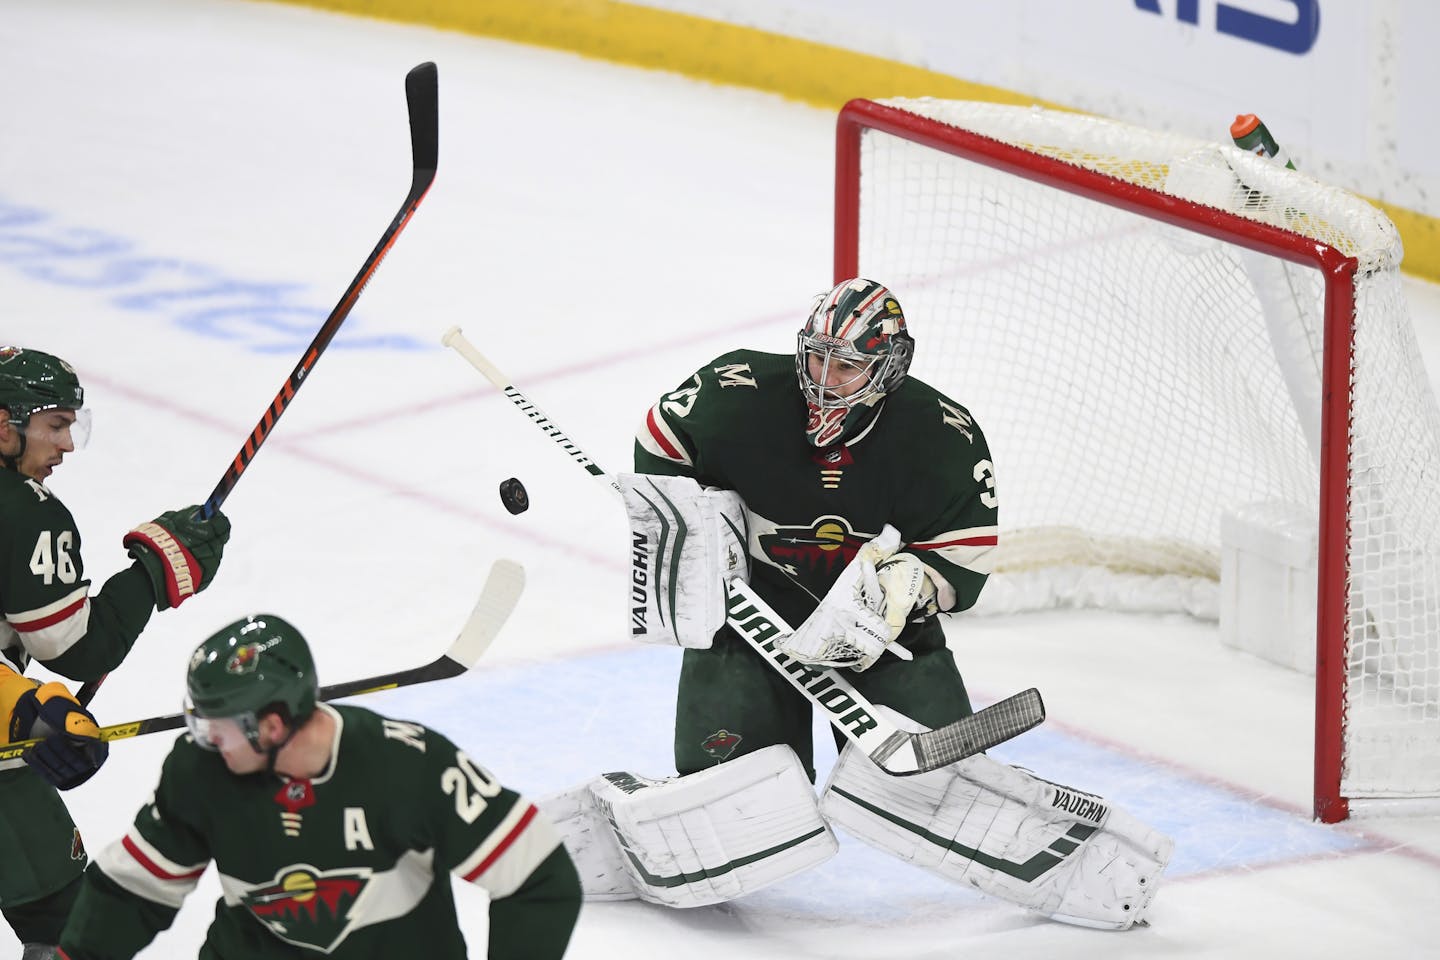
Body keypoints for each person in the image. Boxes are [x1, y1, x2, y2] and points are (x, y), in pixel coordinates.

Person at [541, 279, 1172, 928]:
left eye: (848, 365)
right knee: (728, 786)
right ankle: (631, 843)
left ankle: (1067, 862)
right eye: (817, 355)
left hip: (880, 631)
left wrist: (909, 588)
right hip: (752, 619)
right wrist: (691, 522)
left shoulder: (937, 431)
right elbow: (663, 440)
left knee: (935, 781)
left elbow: (964, 547)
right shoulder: (742, 394)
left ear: (889, 367)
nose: (824, 377)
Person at [57, 612, 582, 959]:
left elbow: (538, 875)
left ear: (273, 725)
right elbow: (136, 886)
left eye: (218, 726)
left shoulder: (407, 765)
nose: (204, 740)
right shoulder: (200, 771)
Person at [0, 345, 230, 956]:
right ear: (5, 425)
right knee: (65, 930)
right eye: (55, 425)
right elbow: (74, 650)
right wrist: (155, 570)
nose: (67, 445)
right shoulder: (22, 513)